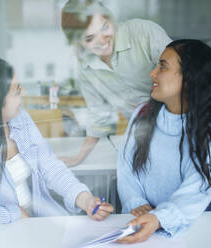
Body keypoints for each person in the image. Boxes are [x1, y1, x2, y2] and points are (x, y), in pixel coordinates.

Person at [0, 57, 114, 236]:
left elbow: (50, 167)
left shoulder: (20, 120)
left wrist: (84, 198)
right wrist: (14, 212)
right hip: (2, 236)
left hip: (37, 227)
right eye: (16, 90)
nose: (23, 93)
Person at [116, 39, 211, 243]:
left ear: (190, 78)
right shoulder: (142, 114)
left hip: (191, 232)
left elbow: (193, 195)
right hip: (142, 224)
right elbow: (126, 168)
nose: (153, 73)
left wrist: (159, 217)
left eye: (162, 67)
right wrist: (135, 202)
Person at [59, 0, 172, 166]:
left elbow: (185, 76)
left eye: (105, 27)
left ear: (110, 19)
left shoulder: (143, 33)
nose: (102, 40)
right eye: (90, 38)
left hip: (183, 123)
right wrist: (79, 157)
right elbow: (99, 116)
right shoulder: (86, 68)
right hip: (145, 137)